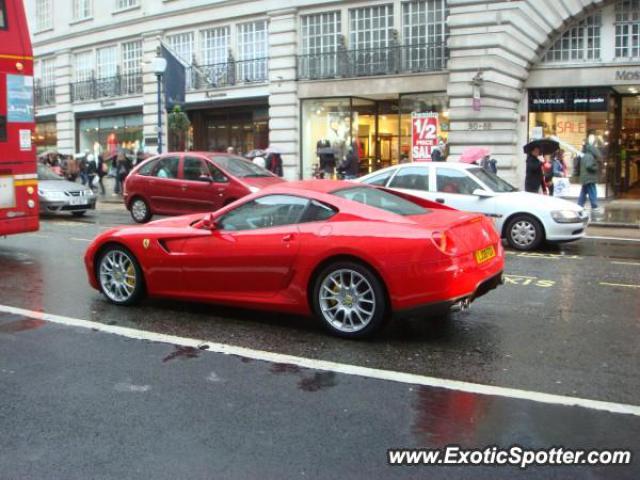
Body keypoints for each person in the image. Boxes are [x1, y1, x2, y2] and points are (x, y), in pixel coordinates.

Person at [577, 141, 601, 211]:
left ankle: (580, 205)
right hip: (589, 178)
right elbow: (589, 166)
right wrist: (596, 167)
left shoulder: (585, 156)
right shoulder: (590, 157)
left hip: (585, 178)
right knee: (592, 191)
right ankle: (594, 206)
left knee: (583, 192)